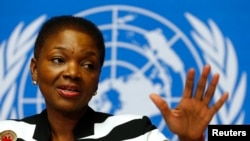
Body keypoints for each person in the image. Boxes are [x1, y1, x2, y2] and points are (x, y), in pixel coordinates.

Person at [0, 15, 228, 141]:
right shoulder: (7, 134)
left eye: (88, 65)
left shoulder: (136, 132)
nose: (72, 72)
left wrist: (190, 140)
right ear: (35, 69)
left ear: (97, 78)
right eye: (59, 59)